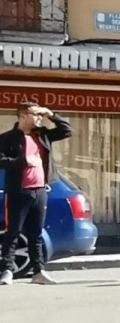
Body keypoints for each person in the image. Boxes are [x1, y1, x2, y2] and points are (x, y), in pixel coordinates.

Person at [0, 102, 71, 286]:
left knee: (36, 234)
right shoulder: (7, 138)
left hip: (40, 191)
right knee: (12, 232)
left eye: (41, 115)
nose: (39, 118)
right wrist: (23, 161)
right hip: (17, 191)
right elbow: (1, 161)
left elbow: (66, 130)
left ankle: (38, 271)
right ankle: (6, 270)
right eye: (35, 114)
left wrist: (51, 114)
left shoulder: (43, 135)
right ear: (23, 116)